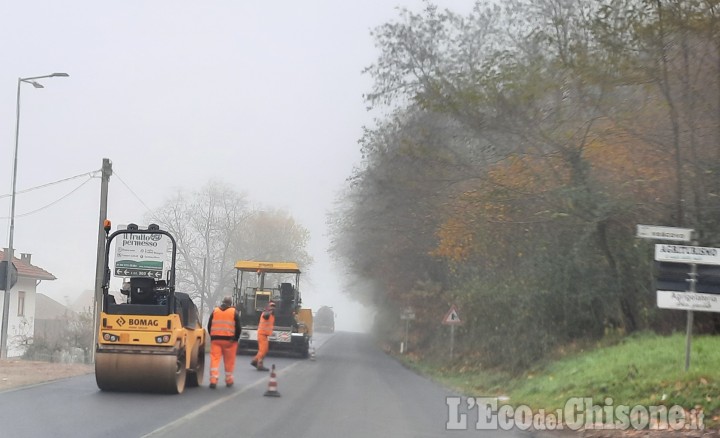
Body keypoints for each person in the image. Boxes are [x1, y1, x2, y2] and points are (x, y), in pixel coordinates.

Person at [207, 296, 241, 388]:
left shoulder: (215, 311)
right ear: (230, 303)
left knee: (215, 359)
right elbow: (238, 327)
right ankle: (229, 380)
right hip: (230, 340)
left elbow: (209, 325)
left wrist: (212, 336)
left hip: (216, 340)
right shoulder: (234, 312)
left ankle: (213, 380)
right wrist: (236, 338)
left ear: (222, 302)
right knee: (229, 361)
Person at [251, 301, 275, 371]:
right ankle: (259, 365)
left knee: (264, 350)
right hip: (262, 334)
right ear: (268, 307)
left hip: (264, 334)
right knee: (263, 350)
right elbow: (265, 315)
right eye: (271, 306)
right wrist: (269, 311)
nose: (273, 308)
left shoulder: (271, 314)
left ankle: (255, 361)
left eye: (274, 306)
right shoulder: (266, 313)